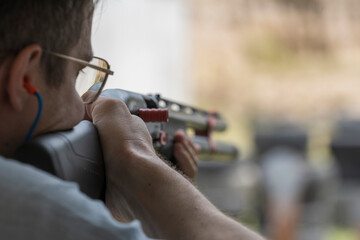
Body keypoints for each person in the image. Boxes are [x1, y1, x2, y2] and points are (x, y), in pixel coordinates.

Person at [0, 0, 264, 239]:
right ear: (25, 79)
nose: (82, 108)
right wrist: (138, 164)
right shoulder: (31, 201)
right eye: (78, 73)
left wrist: (118, 211)